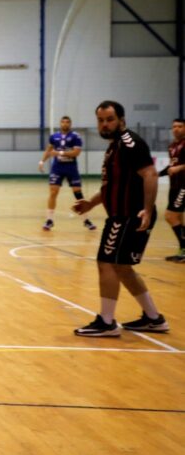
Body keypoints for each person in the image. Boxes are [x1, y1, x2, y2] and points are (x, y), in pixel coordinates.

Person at [71, 101, 169, 336]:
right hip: (120, 216)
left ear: (122, 120)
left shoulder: (129, 143)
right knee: (123, 268)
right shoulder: (115, 147)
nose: (105, 124)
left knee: (106, 263)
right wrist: (90, 204)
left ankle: (106, 322)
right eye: (101, 120)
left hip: (127, 216)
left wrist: (146, 208)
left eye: (110, 119)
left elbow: (150, 174)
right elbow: (110, 186)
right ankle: (154, 319)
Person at [39, 115, 96, 232]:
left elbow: (76, 152)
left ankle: (86, 220)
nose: (65, 124)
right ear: (60, 124)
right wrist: (42, 161)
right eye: (63, 122)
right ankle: (49, 220)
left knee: (78, 194)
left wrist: (59, 152)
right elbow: (49, 150)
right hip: (57, 168)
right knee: (53, 192)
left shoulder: (75, 136)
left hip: (71, 168)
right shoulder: (54, 137)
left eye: (67, 122)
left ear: (70, 124)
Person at [161, 118, 185, 261]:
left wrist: (179, 168)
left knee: (170, 216)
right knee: (178, 217)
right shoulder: (172, 146)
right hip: (174, 185)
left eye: (180, 126)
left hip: (184, 185)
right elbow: (171, 168)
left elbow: (177, 167)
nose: (176, 129)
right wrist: (154, 175)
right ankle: (182, 251)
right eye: (174, 126)